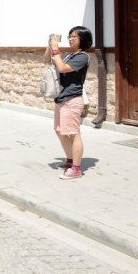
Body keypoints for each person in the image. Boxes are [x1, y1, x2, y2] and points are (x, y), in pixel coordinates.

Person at [45, 26, 92, 180]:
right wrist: (49, 47)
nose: (71, 39)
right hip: (61, 98)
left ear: (83, 40)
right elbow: (47, 61)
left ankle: (76, 169)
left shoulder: (82, 56)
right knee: (60, 130)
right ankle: (71, 160)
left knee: (73, 133)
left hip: (72, 99)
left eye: (75, 37)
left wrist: (56, 49)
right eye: (70, 36)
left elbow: (62, 68)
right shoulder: (68, 55)